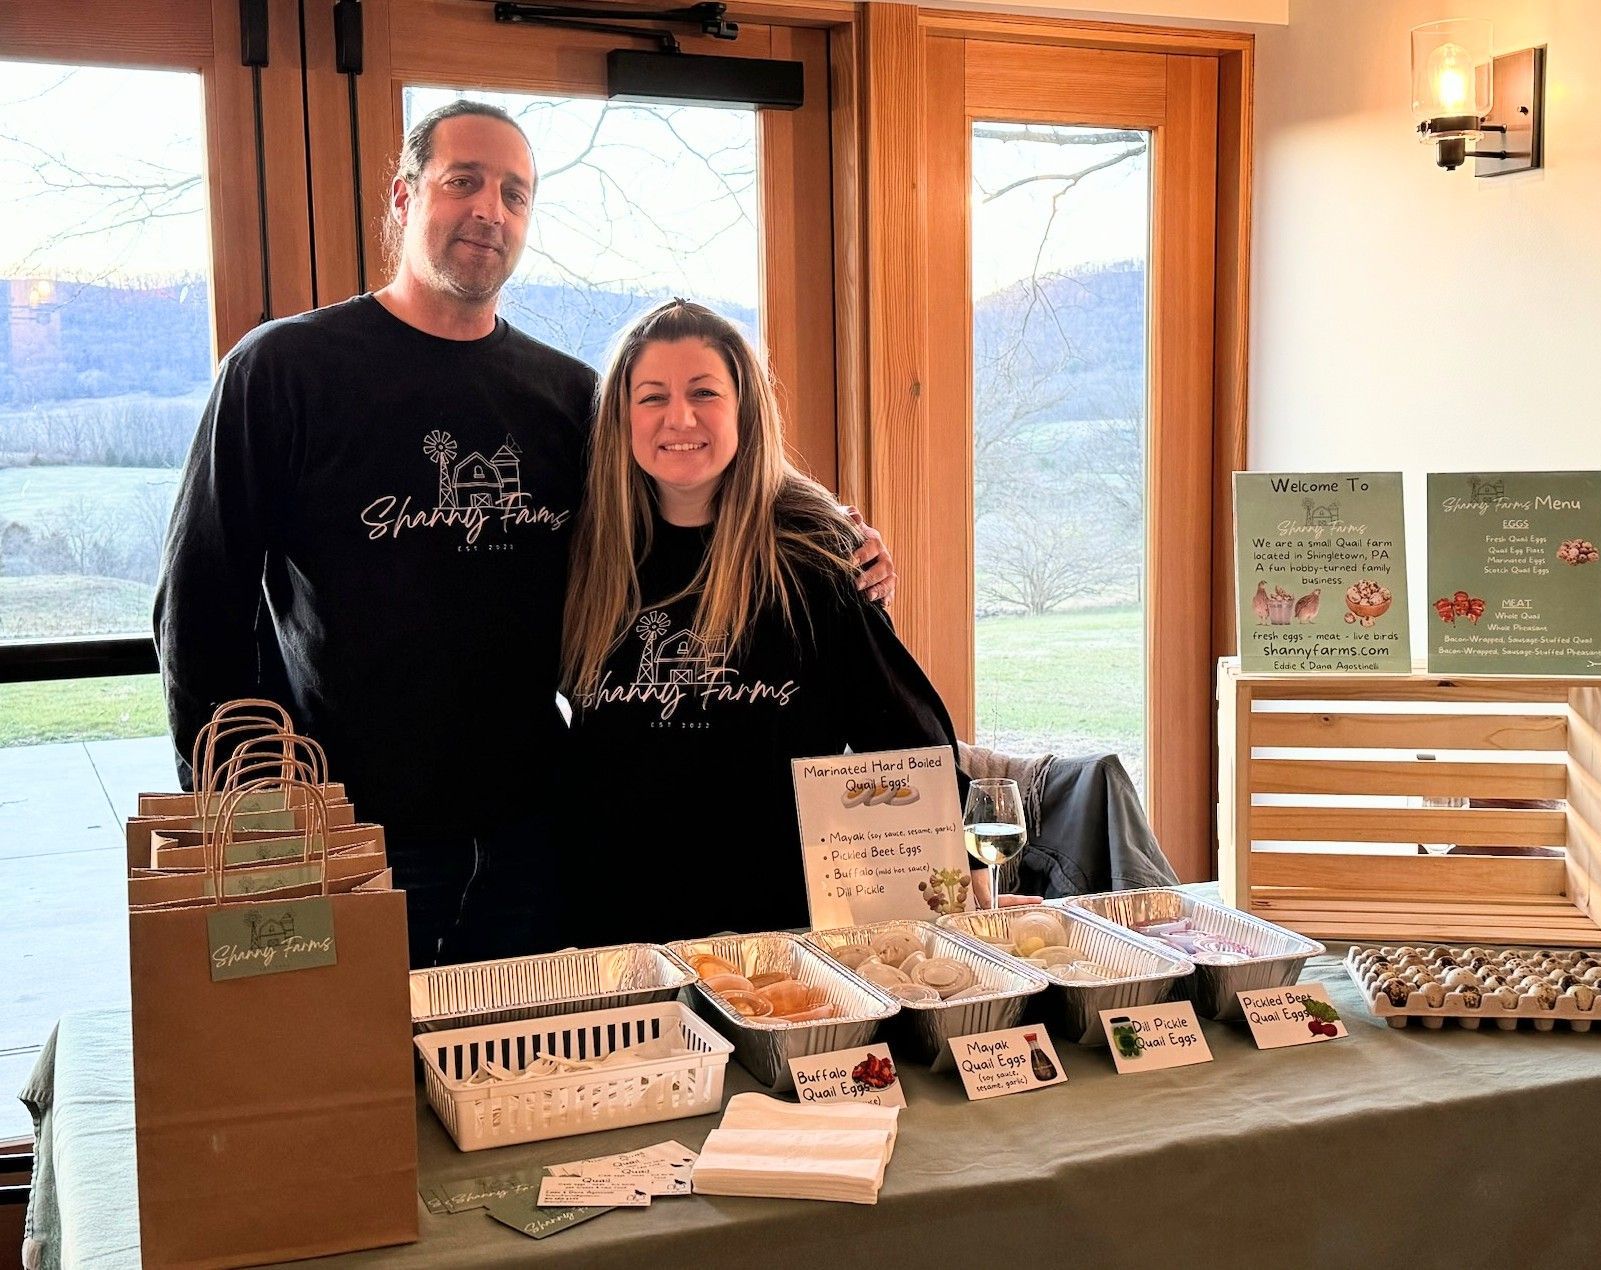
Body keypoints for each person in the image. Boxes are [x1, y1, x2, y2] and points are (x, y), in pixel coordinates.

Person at [154, 101, 893, 968]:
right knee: (348, 1085)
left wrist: (830, 531)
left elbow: (693, 474)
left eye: (514, 193)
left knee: (526, 1084)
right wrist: (249, 818)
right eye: (462, 181)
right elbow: (198, 607)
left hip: (533, 837)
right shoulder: (282, 371)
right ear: (402, 198)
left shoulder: (566, 397)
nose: (489, 210)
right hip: (344, 838)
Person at [562, 299, 981, 943]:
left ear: (745, 409)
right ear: (621, 416)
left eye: (705, 392)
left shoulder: (816, 556)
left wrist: (963, 870)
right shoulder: (586, 557)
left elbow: (906, 738)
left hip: (781, 942)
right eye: (652, 397)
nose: (680, 417)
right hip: (614, 937)